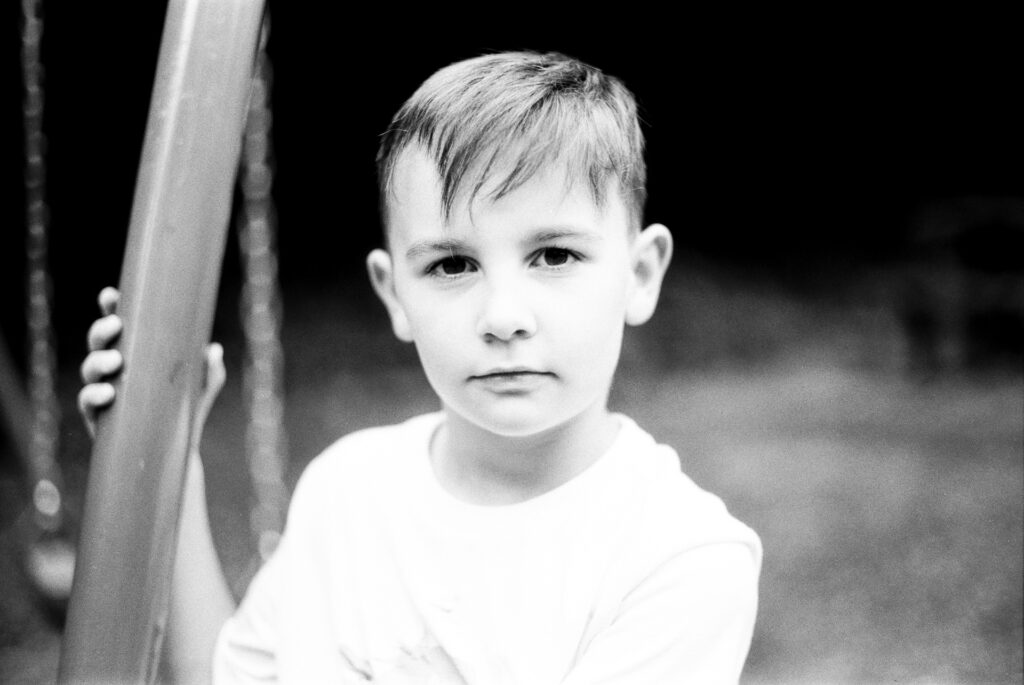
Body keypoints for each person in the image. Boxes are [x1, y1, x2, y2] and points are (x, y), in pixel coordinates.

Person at [79, 50, 762, 684]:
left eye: (554, 255)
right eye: (452, 265)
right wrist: (170, 455)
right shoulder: (347, 492)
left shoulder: (682, 557)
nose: (503, 315)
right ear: (394, 293)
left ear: (639, 274)